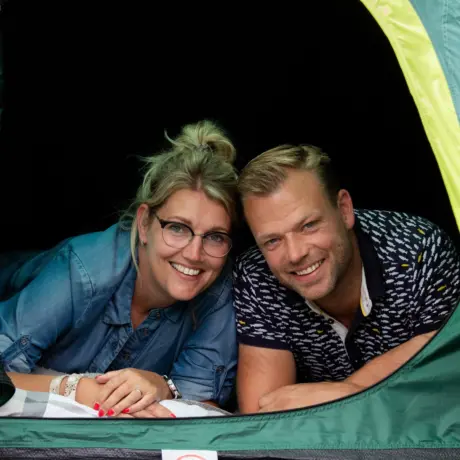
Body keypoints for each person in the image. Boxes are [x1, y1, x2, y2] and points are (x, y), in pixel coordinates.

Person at [0, 120, 238, 418]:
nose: (194, 254)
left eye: (215, 236)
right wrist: (76, 389)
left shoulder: (218, 290)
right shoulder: (82, 271)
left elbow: (203, 408)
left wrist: (164, 387)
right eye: (177, 228)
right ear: (144, 223)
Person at [233, 144, 460, 414]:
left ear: (344, 209)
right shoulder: (256, 273)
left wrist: (346, 393)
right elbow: (264, 417)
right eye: (272, 240)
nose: (295, 254)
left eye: (308, 226)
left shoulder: (419, 251)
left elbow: (445, 376)